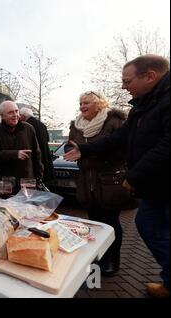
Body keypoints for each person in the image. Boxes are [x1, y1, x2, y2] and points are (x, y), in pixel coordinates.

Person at [64, 54, 170, 298]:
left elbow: (159, 145)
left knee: (124, 224)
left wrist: (135, 175)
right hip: (95, 182)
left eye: (127, 80)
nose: (124, 86)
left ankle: (116, 263)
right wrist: (83, 150)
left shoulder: (124, 115)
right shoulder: (143, 106)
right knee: (136, 225)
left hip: (119, 182)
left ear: (150, 76)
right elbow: (120, 140)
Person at [66, 91, 132, 277]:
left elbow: (121, 148)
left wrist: (87, 152)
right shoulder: (76, 125)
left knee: (110, 223)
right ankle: (97, 259)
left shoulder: (114, 121)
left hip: (109, 181)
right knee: (93, 223)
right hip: (87, 182)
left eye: (87, 102)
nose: (82, 106)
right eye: (80, 102)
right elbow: (70, 146)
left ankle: (112, 261)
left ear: (99, 104)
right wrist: (73, 150)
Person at [0, 101, 43, 193]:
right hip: (6, 184)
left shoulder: (29, 129)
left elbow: (37, 154)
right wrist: (14, 154)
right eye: (10, 112)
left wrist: (38, 177)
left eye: (16, 111)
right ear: (2, 116)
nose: (15, 115)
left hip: (26, 183)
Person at [19, 107, 54, 183]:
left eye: (19, 115)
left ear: (23, 116)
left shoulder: (26, 126)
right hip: (45, 159)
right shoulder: (41, 124)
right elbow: (47, 139)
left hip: (35, 160)